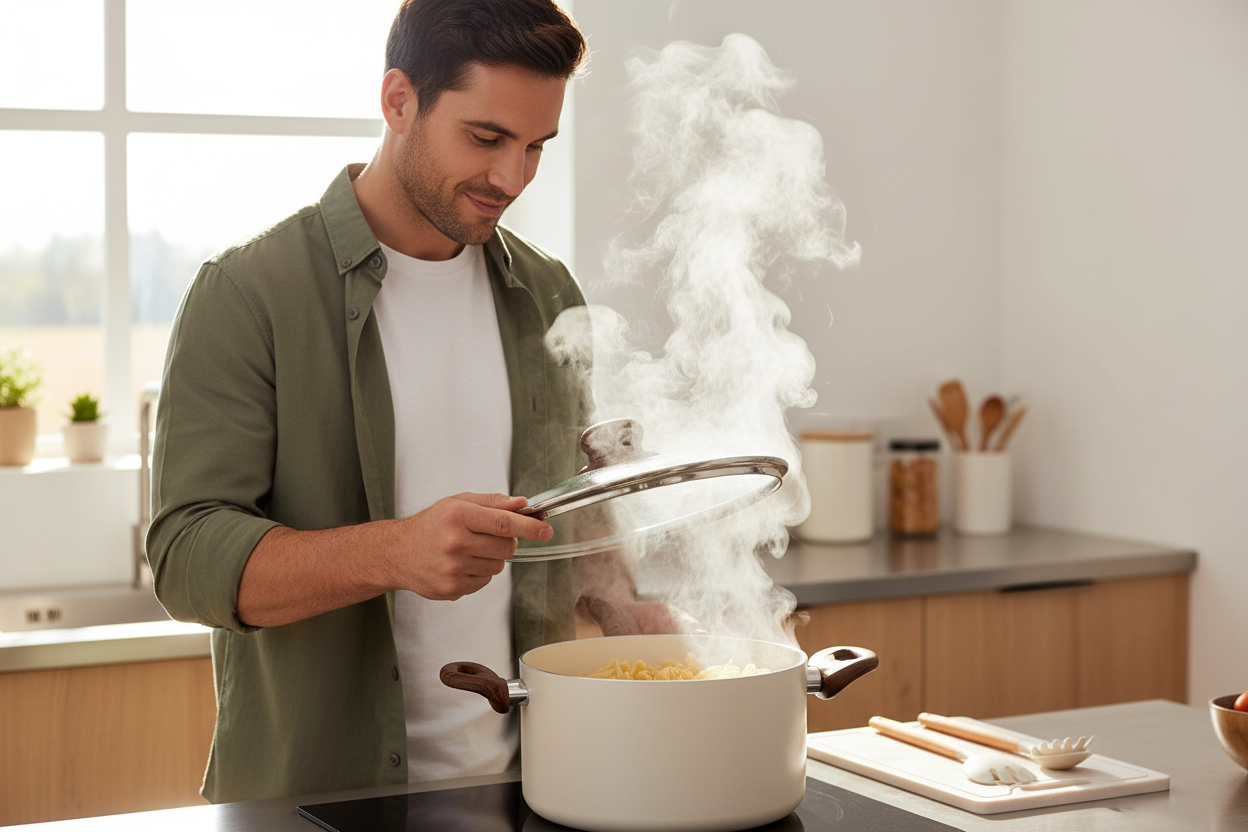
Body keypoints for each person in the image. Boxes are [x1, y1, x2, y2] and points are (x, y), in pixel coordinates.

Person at [147, 0, 665, 804]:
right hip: (322, 803)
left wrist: (627, 610)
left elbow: (571, 507)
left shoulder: (548, 291)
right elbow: (186, 559)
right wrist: (396, 553)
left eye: (535, 147)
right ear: (398, 101)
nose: (512, 178)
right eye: (486, 138)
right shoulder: (249, 293)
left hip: (535, 789)